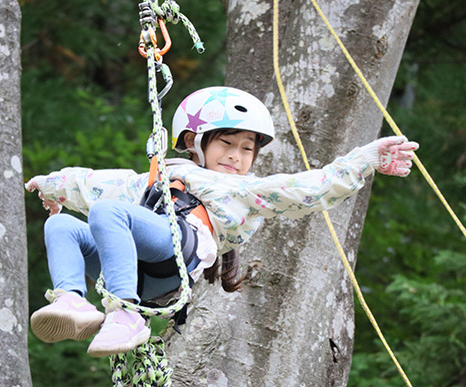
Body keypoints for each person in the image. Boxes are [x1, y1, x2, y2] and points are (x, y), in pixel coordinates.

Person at [25, 86, 418, 358]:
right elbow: (95, 183)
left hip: (176, 256)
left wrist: (366, 158)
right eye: (226, 143)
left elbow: (307, 187)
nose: (236, 156)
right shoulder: (155, 176)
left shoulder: (240, 191)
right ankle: (73, 300)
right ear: (196, 142)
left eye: (246, 149)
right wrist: (50, 185)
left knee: (107, 212)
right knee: (61, 227)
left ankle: (124, 314)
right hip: (134, 259)